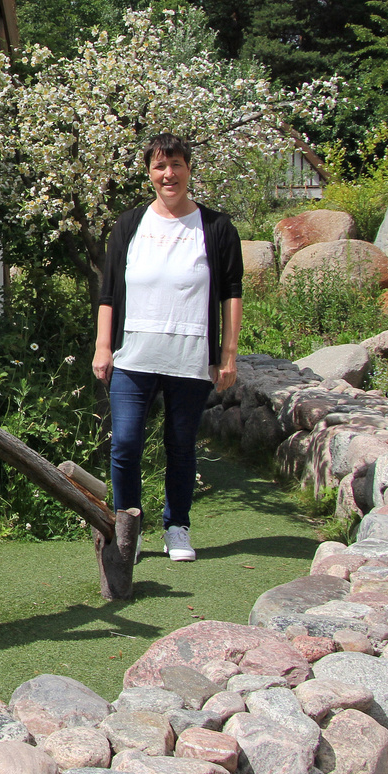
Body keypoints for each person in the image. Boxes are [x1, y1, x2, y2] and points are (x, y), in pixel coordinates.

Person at [92, 132, 242, 562]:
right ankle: (129, 529)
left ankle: (177, 526)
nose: (168, 174)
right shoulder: (129, 225)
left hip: (190, 357)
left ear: (189, 169)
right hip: (133, 356)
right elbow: (109, 291)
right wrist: (104, 347)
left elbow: (232, 292)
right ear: (149, 173)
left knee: (181, 446)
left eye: (176, 165)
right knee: (125, 444)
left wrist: (227, 356)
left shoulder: (216, 227)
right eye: (160, 166)